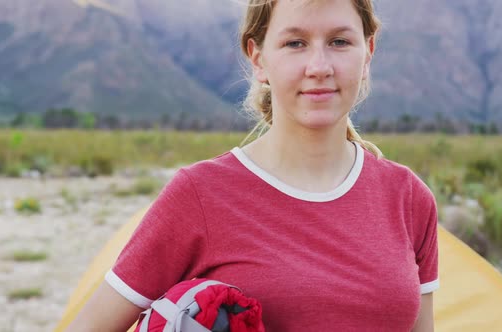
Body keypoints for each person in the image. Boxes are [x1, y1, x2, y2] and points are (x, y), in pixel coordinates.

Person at [67, 0, 439, 331]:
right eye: (295, 43)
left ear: (368, 52)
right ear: (258, 58)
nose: (319, 66)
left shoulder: (408, 198)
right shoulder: (200, 194)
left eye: (339, 41)